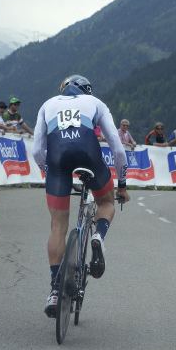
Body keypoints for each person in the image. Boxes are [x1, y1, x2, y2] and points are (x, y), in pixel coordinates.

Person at [32, 75, 129, 318]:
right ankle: (97, 236)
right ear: (87, 91)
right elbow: (117, 146)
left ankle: (55, 290)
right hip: (89, 156)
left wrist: (50, 172)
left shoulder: (47, 104)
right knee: (106, 202)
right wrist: (122, 186)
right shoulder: (95, 102)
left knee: (57, 227)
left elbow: (36, 150)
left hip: (57, 162)